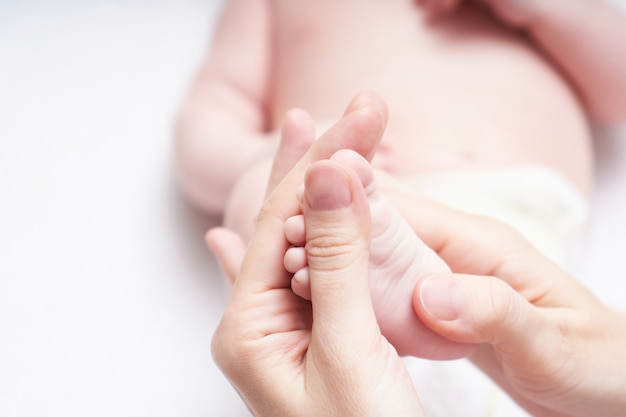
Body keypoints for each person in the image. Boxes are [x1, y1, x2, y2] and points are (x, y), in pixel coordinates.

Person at [208, 95, 626, 417]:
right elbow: (208, 123)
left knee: (291, 210)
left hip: (505, 201)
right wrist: (251, 153)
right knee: (264, 196)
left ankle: (350, 295)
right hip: (454, 214)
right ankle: (384, 291)